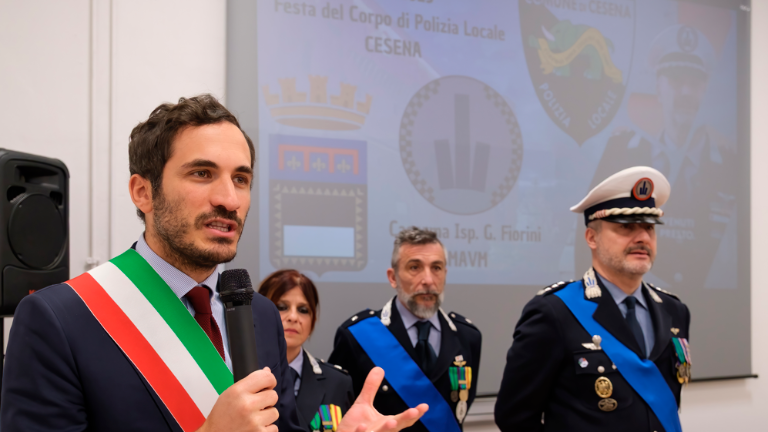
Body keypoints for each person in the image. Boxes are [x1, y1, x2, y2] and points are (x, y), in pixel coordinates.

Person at [0, 95, 427, 432]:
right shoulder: (58, 320)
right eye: (202, 173)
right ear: (142, 192)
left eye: (241, 179)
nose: (229, 199)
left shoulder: (259, 313)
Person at [496, 166, 691, 432]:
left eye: (649, 227)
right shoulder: (554, 312)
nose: (643, 237)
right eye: (627, 227)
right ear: (592, 237)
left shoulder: (674, 311)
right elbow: (514, 417)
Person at [578, 24, 737, 293]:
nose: (686, 92)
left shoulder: (730, 166)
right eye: (676, 80)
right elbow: (589, 228)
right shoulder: (622, 153)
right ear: (658, 88)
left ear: (705, 90)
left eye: (695, 83)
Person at [329, 227, 482, 432]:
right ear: (393, 277)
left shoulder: (467, 336)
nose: (428, 280)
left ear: (445, 274)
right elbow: (336, 414)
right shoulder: (357, 336)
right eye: (414, 267)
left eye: (436, 268)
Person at [258, 269, 355, 430]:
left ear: (313, 321)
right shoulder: (237, 374)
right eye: (282, 307)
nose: (293, 317)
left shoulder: (338, 382)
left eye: (303, 310)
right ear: (258, 315)